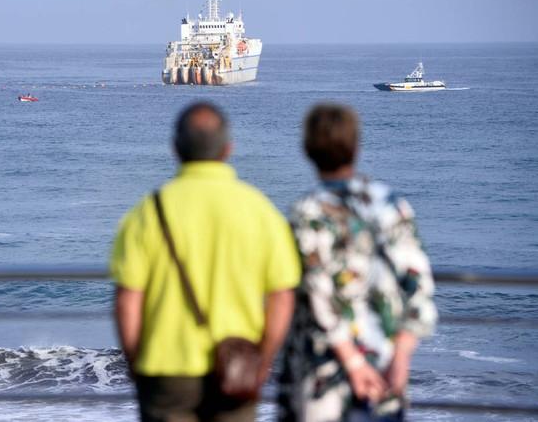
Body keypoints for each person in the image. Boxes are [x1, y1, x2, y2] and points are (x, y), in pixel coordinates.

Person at [111, 101, 301, 422]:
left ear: (175, 148)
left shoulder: (147, 213)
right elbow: (282, 298)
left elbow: (127, 301)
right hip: (237, 369)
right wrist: (263, 360)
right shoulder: (259, 210)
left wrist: (135, 363)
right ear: (228, 149)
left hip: (165, 368)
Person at [277, 104, 437, 422]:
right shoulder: (393, 205)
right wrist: (402, 355)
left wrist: (352, 362)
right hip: (385, 371)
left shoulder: (307, 213)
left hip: (323, 376)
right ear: (356, 146)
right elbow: (418, 285)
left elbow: (318, 291)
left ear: (307, 150)